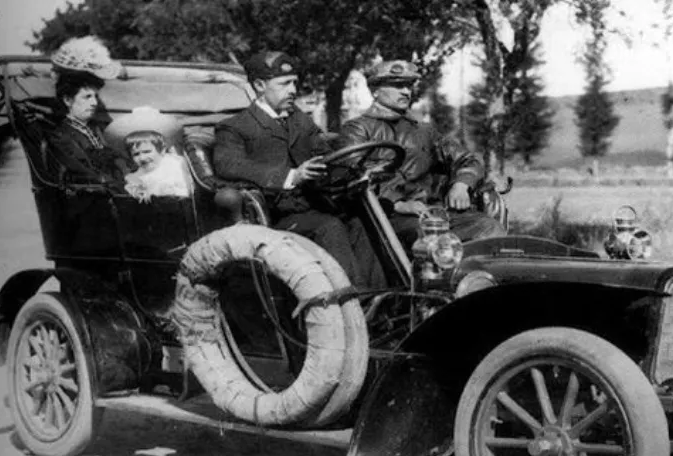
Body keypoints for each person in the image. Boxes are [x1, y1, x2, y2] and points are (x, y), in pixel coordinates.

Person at [213, 51, 385, 289]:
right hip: (275, 217)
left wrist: (357, 171)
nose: (293, 89)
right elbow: (228, 165)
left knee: (357, 222)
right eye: (284, 83)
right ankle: (355, 303)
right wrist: (291, 176)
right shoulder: (234, 127)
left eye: (294, 82)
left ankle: (381, 299)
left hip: (316, 206)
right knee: (329, 226)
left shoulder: (300, 120)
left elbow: (325, 155)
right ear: (260, 85)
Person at [338, 60, 506, 248]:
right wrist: (397, 204)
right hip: (386, 216)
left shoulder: (425, 131)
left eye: (408, 85)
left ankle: (477, 278)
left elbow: (467, 159)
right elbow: (351, 178)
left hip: (433, 212)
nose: (406, 92)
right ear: (374, 91)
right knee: (428, 237)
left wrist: (461, 184)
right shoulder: (357, 130)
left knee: (489, 227)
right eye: (397, 86)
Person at [46, 36, 127, 185]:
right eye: (87, 97)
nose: (94, 103)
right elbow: (85, 173)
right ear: (68, 100)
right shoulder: (61, 137)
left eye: (95, 96)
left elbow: (115, 157)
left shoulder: (96, 129)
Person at [103, 106, 191, 202]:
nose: (142, 158)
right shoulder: (137, 176)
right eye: (136, 154)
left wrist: (154, 193)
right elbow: (132, 187)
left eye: (147, 152)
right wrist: (138, 192)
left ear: (162, 150)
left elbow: (181, 192)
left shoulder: (173, 165)